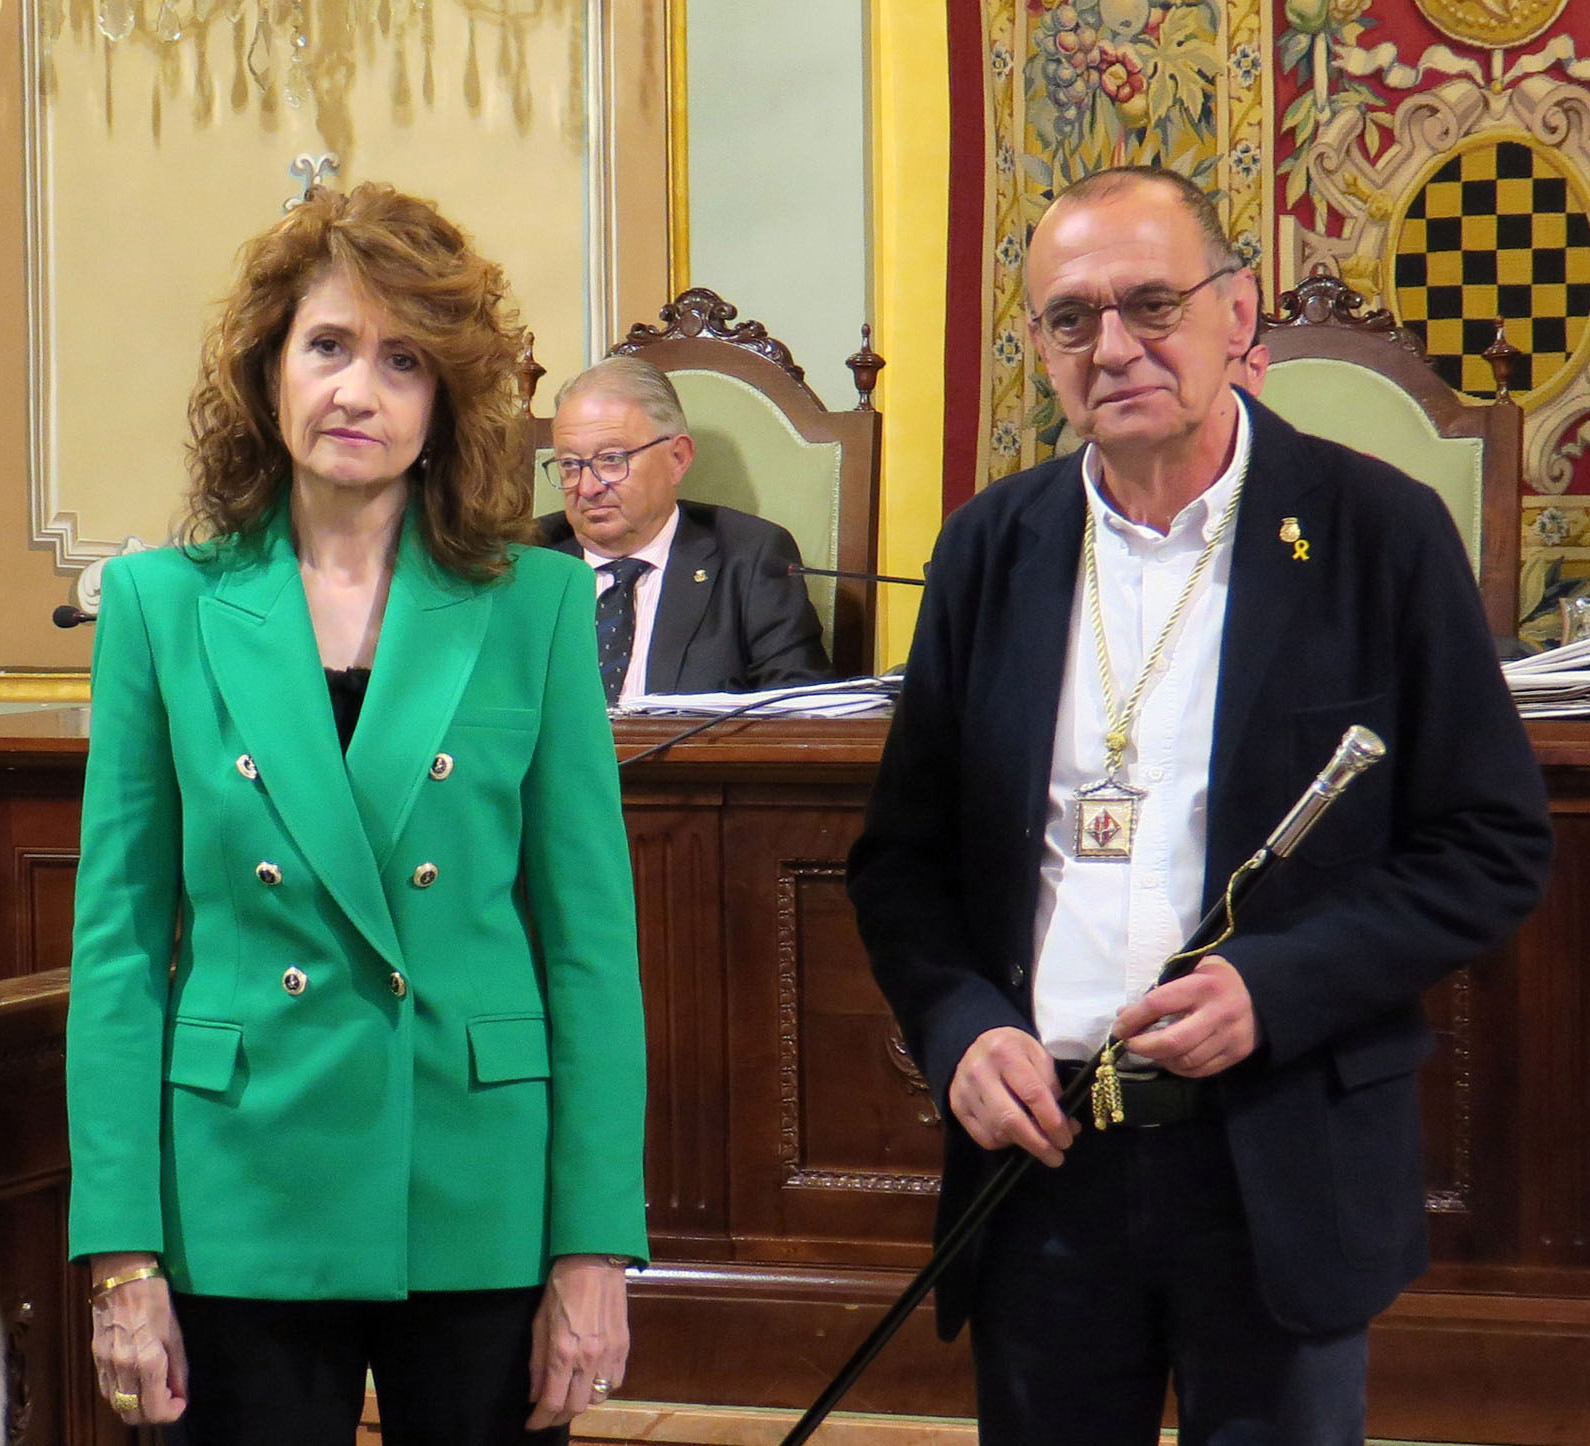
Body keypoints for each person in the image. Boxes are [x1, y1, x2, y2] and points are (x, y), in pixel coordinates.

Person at [847, 165, 1552, 1445]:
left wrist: (1274, 988)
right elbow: (901, 861)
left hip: (1275, 1156)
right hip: (1043, 1158)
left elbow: (1490, 844)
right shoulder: (989, 548)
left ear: (1238, 312)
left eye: (1152, 303)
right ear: (1040, 349)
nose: (1113, 346)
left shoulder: (1376, 533)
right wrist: (959, 1029)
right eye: (1072, 318)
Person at [65, 182, 647, 1446]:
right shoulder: (161, 607)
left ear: (445, 401)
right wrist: (121, 1257)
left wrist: (595, 1243)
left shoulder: (537, 606)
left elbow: (591, 950)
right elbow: (118, 951)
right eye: (327, 345)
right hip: (239, 1182)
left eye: (402, 361)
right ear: (267, 371)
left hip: (478, 1180)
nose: (357, 390)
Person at [537, 356, 834, 700]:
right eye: (570, 465)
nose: (587, 488)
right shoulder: (523, 561)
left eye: (612, 460)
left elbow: (799, 709)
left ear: (677, 458)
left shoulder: (750, 559)